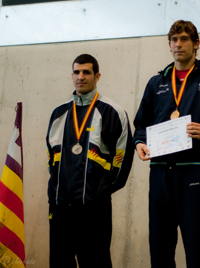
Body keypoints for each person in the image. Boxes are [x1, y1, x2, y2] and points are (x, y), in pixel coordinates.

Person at [133, 20, 200, 268]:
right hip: (159, 174)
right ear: (169, 44)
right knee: (160, 247)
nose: (178, 44)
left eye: (185, 39)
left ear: (196, 43)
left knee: (197, 247)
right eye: (174, 39)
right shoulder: (157, 82)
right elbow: (141, 125)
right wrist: (139, 144)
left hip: (194, 171)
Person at [46, 54, 134, 268]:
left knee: (96, 263)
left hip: (94, 209)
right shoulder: (59, 113)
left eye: (86, 72)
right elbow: (51, 160)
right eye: (76, 72)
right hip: (60, 208)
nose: (81, 77)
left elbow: (122, 164)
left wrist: (99, 192)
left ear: (97, 76)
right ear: (72, 75)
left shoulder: (113, 112)